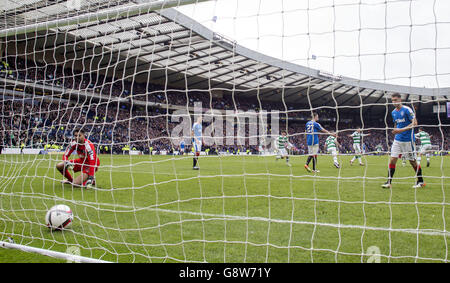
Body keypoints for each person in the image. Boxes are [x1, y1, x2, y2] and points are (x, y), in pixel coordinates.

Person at [381, 93, 425, 189]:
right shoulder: (393, 112)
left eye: (396, 100)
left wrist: (400, 130)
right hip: (397, 140)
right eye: (392, 100)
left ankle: (421, 181)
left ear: (400, 100)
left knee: (412, 161)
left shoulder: (407, 109)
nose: (394, 102)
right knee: (392, 159)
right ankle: (388, 182)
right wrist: (395, 130)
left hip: (408, 140)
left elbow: (415, 123)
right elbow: (396, 124)